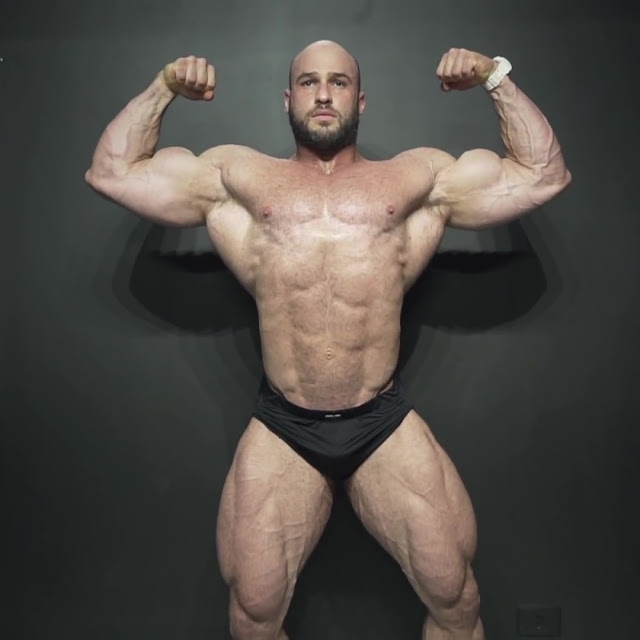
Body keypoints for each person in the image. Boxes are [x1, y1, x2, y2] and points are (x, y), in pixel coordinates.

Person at [85, 40, 571, 640]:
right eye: (309, 82)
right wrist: (164, 88)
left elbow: (542, 174)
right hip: (285, 424)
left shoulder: (415, 178)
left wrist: (494, 77)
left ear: (359, 100)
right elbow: (113, 171)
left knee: (456, 596)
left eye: (338, 82)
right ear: (287, 99)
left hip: (379, 420)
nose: (323, 94)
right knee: (254, 615)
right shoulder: (236, 177)